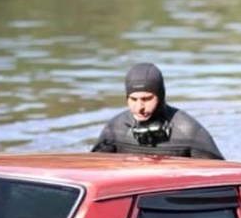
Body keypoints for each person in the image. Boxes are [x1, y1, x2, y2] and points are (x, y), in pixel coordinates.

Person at [92, 63, 225, 159]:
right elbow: (94, 171)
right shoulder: (115, 129)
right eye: (133, 99)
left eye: (147, 99)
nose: (139, 107)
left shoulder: (188, 131)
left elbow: (219, 179)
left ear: (161, 96)